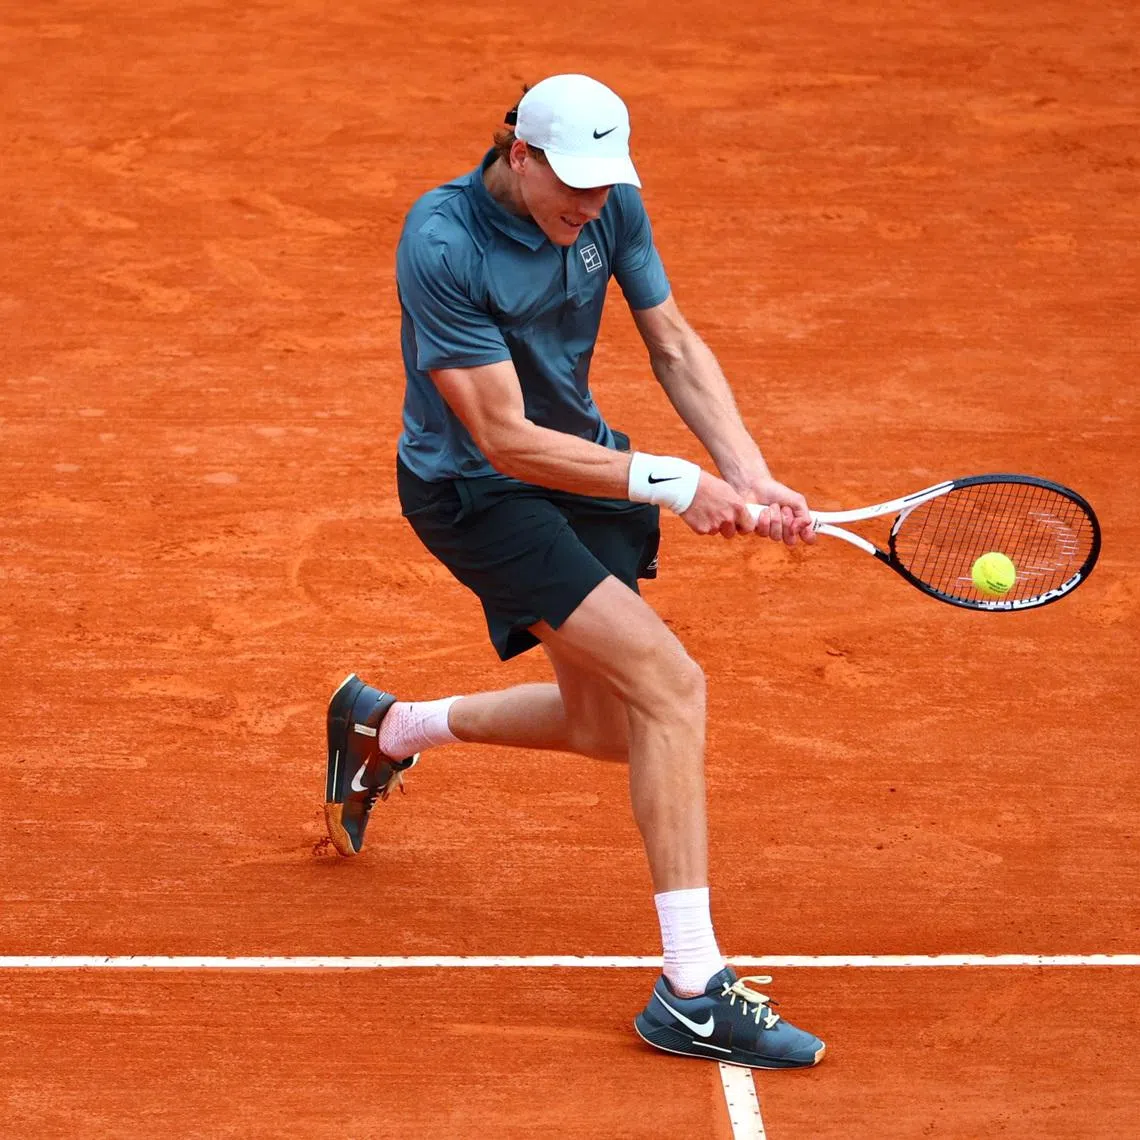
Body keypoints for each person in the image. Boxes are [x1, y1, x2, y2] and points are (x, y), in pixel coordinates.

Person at [324, 73, 826, 1070]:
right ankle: (690, 990)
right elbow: (504, 439)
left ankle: (388, 727)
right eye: (574, 182)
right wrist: (673, 483)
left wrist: (748, 472)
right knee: (672, 690)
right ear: (520, 153)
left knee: (610, 724)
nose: (591, 204)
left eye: (606, 185)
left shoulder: (610, 206)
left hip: (585, 473)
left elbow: (673, 341)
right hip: (478, 493)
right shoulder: (442, 242)